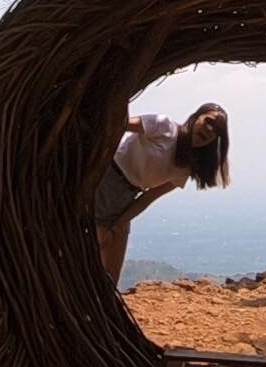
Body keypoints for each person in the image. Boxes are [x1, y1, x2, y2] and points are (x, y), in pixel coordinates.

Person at [92, 103, 230, 286]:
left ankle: (105, 305)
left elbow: (148, 197)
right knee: (97, 253)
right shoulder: (164, 126)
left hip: (125, 200)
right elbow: (121, 124)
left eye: (216, 131)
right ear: (196, 117)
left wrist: (119, 223)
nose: (210, 129)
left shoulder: (185, 167)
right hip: (103, 181)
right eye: (208, 121)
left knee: (112, 270)